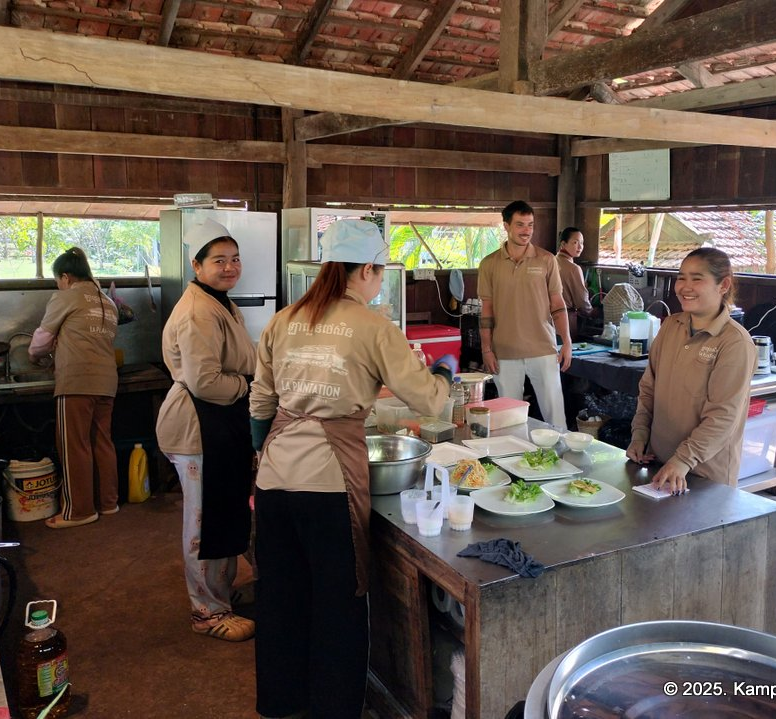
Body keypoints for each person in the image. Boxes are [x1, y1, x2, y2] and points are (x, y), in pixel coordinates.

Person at [250, 219, 454, 719]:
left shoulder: (284, 318)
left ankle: (280, 701)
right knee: (339, 603)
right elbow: (427, 401)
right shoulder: (374, 327)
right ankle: (334, 709)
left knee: (279, 596)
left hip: (274, 478)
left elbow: (259, 403)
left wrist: (263, 456)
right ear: (367, 269)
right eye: (380, 273)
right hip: (328, 482)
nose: (380, 281)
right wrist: (445, 371)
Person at [156, 218, 256, 642]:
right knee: (204, 522)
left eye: (234, 259)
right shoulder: (199, 311)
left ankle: (220, 596)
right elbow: (206, 383)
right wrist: (250, 385)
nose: (230, 267)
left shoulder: (218, 300)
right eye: (219, 261)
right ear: (197, 266)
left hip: (217, 423)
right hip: (197, 426)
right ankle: (207, 613)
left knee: (223, 511)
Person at [627, 248, 756, 493]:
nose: (685, 287)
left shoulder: (734, 343)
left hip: (704, 473)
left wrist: (684, 459)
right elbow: (648, 389)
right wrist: (640, 434)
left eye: (697, 279)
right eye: (681, 277)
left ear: (723, 284)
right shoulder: (670, 327)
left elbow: (723, 416)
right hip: (658, 464)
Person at [29, 247, 119, 529]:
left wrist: (33, 355)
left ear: (66, 277)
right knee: (101, 441)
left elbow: (43, 337)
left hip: (77, 379)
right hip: (106, 380)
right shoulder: (107, 301)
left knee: (73, 446)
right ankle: (108, 503)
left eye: (58, 280)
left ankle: (79, 511)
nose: (59, 284)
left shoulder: (66, 296)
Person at [478, 200, 571, 429]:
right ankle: (513, 462)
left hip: (543, 348)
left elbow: (557, 304)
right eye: (520, 224)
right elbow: (486, 309)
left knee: (555, 415)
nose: (526, 230)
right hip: (504, 351)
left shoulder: (547, 259)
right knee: (510, 419)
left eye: (530, 224)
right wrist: (486, 349)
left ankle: (562, 458)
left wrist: (567, 342)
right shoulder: (489, 264)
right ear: (506, 226)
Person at [556, 227, 593, 337]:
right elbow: (581, 302)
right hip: (566, 319)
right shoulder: (574, 268)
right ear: (563, 244)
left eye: (582, 243)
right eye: (575, 242)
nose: (580, 247)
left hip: (547, 320)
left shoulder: (551, 261)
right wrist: (592, 312)